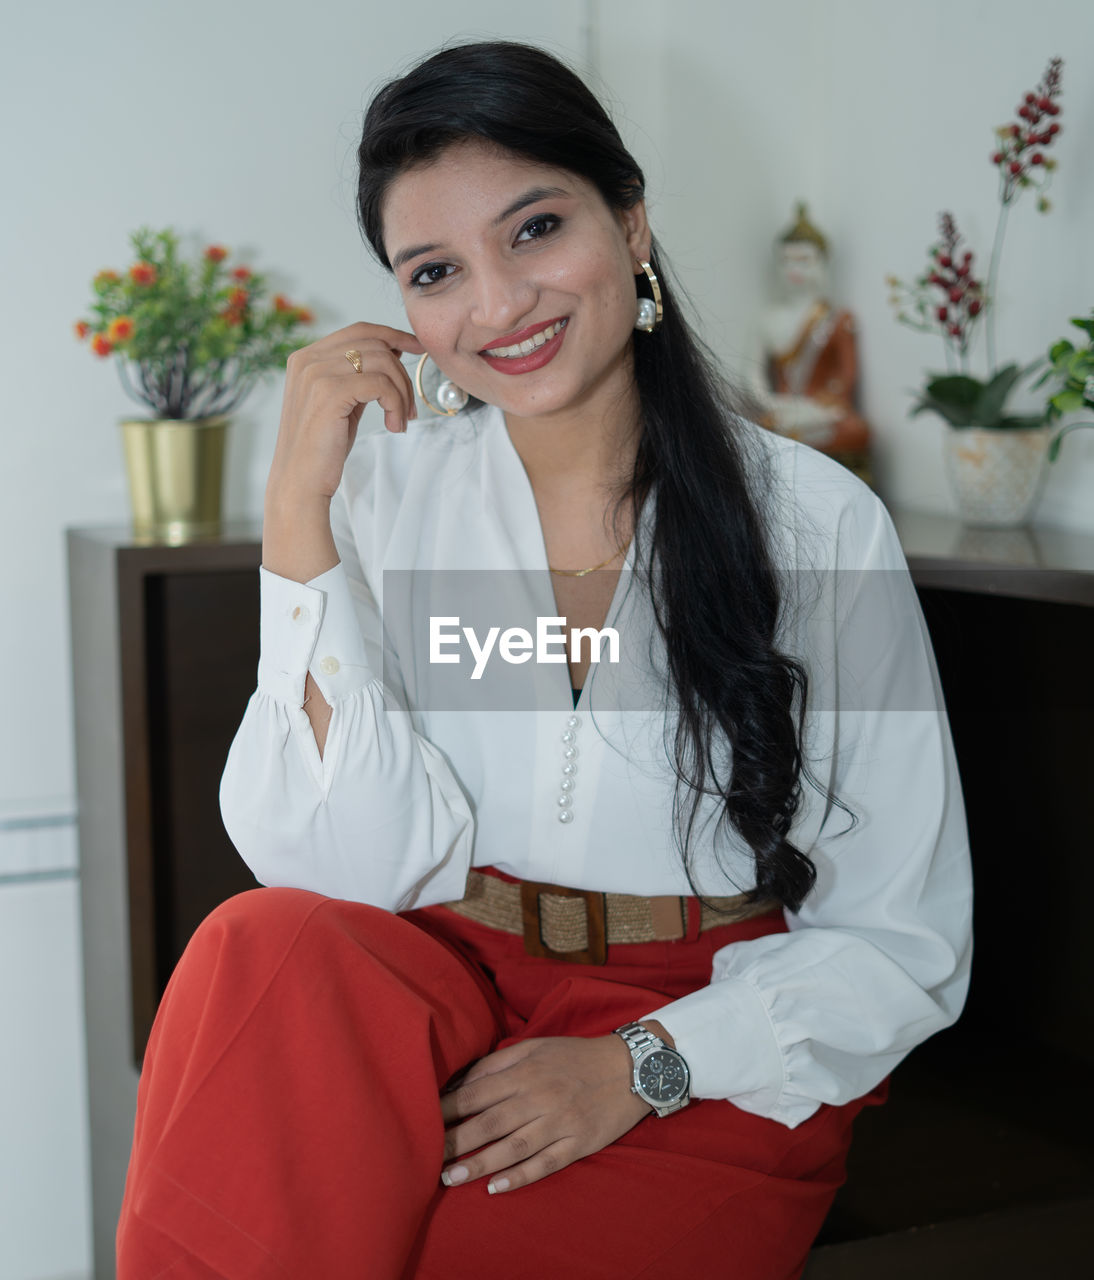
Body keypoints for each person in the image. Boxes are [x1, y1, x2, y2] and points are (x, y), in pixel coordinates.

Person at [115, 40, 972, 1280]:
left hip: (707, 1039)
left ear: (629, 223)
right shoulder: (385, 498)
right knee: (259, 942)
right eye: (435, 271)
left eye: (533, 229)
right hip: (442, 989)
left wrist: (643, 1063)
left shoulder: (815, 522)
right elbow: (338, 868)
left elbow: (903, 934)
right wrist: (298, 517)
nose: (497, 304)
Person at [749, 203, 874, 487]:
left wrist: (815, 408)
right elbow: (752, 377)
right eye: (787, 261)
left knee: (854, 430)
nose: (795, 269)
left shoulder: (838, 319)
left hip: (822, 412)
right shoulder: (768, 318)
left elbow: (846, 378)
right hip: (782, 409)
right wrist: (774, 403)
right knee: (758, 432)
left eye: (804, 261)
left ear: (822, 263)